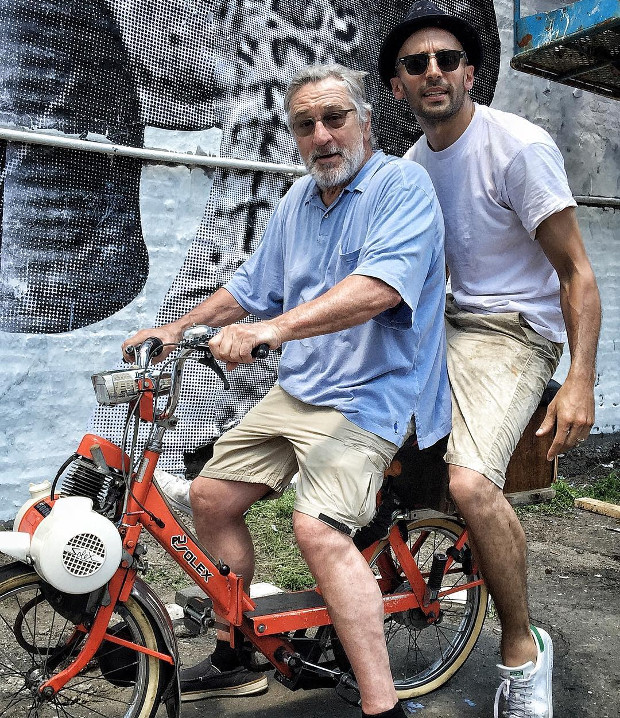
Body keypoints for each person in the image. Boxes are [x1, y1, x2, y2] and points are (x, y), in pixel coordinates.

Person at [123, 63, 450, 718]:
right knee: (212, 498)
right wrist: (178, 326)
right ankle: (235, 654)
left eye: (335, 119)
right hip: (302, 390)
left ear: (364, 122)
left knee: (317, 530)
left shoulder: (402, 187)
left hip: (372, 395)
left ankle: (385, 708)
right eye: (306, 125)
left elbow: (379, 289)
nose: (323, 136)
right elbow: (249, 289)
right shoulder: (299, 203)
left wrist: (272, 329)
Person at [378, 3, 602, 717]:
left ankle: (522, 650)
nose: (434, 72)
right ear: (398, 88)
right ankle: (358, 598)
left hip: (514, 332)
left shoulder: (519, 146)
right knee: (341, 431)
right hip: (450, 322)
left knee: (473, 486)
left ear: (471, 72)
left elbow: (577, 275)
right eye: (417, 64)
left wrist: (581, 383)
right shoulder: (412, 166)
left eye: (448, 59)